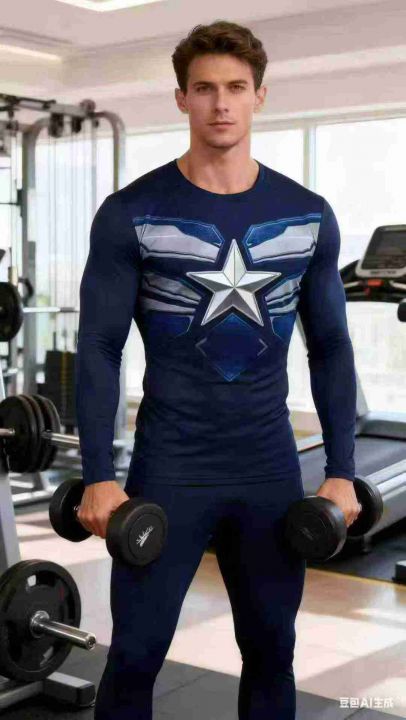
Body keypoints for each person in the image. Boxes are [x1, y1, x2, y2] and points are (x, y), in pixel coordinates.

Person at [75, 19, 361, 720]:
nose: (221, 103)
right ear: (182, 99)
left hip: (268, 467)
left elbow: (330, 346)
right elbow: (100, 347)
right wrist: (99, 475)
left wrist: (342, 469)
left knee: (272, 651)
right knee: (135, 655)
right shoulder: (131, 213)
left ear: (260, 95)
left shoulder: (307, 215)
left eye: (236, 87)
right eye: (204, 88)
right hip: (170, 466)